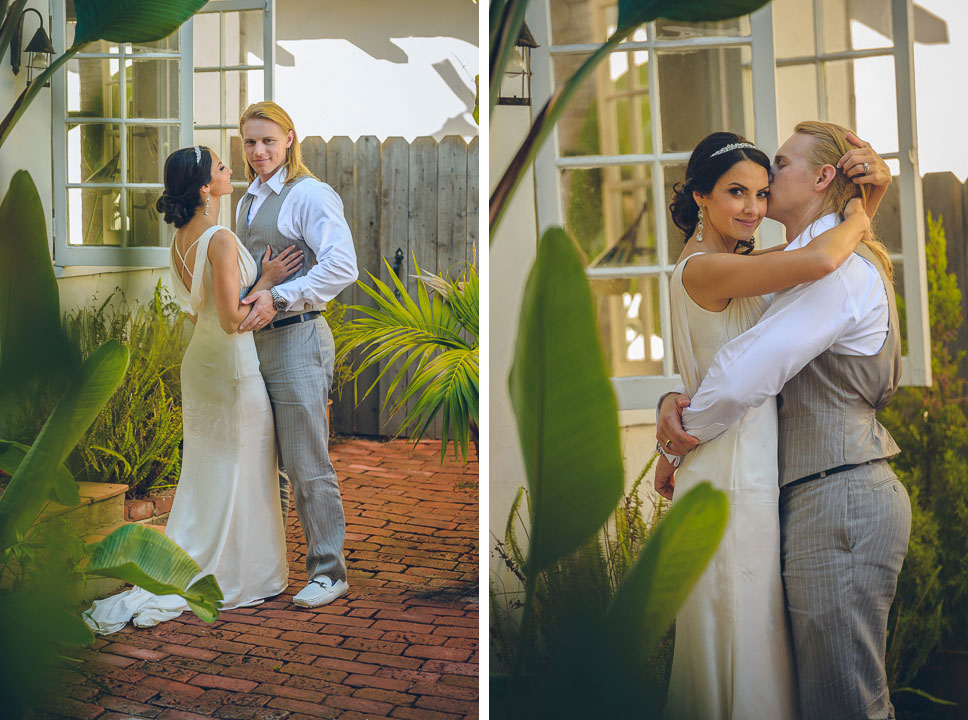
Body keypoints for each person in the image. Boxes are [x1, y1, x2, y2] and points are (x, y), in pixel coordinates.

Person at [656, 122, 909, 720]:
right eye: (738, 191)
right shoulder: (715, 268)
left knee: (826, 692)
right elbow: (813, 259)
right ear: (701, 196)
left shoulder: (805, 266)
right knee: (752, 658)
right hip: (742, 476)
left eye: (767, 184)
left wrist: (676, 430)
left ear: (820, 177)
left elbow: (811, 264)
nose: (757, 201)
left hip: (807, 488)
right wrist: (864, 206)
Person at [83, 146, 303, 633]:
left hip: (200, 365)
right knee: (247, 463)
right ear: (206, 186)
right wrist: (269, 288)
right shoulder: (221, 239)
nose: (231, 170)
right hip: (231, 368)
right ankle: (240, 572)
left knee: (209, 466)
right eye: (222, 168)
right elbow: (232, 320)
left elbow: (196, 309)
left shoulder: (181, 239)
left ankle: (200, 559)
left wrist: (260, 278)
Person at [232, 102, 358, 608]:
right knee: (264, 464)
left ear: (289, 139)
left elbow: (342, 265)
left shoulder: (308, 194)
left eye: (267, 140)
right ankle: (271, 566)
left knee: (307, 463)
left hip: (298, 338)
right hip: (253, 345)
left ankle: (329, 571)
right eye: (248, 142)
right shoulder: (246, 199)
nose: (258, 151)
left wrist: (280, 295)